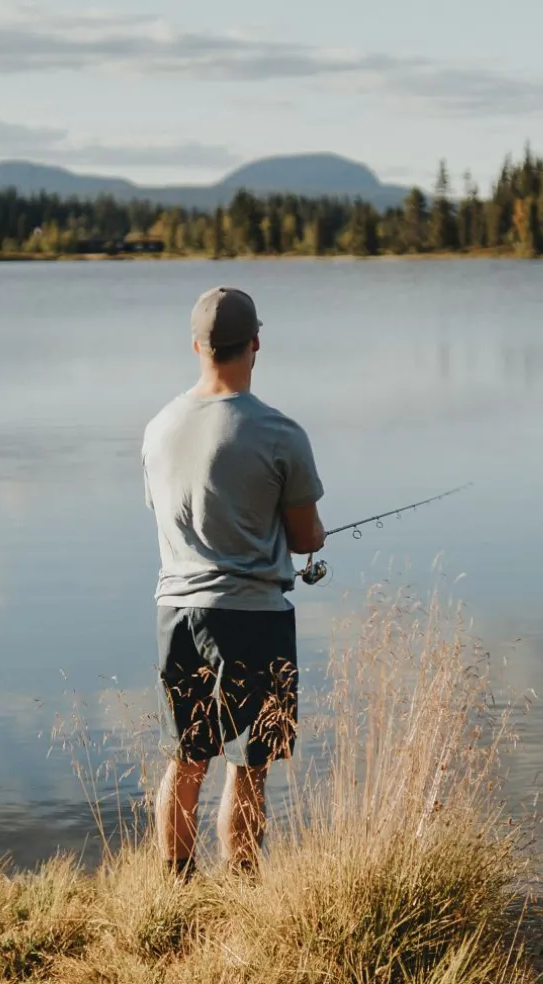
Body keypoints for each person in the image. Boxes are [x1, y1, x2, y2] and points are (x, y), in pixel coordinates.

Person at [141, 285, 326, 880]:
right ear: (255, 344)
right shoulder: (279, 433)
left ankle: (176, 883)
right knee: (249, 765)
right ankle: (241, 887)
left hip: (176, 612)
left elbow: (165, 513)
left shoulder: (158, 428)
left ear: (196, 345)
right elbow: (305, 538)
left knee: (187, 757)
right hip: (255, 616)